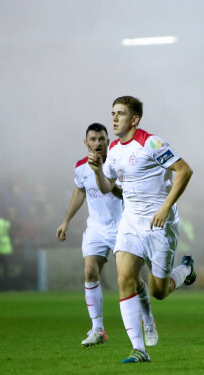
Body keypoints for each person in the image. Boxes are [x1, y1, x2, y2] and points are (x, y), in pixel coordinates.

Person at [88, 96, 195, 363]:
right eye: (112, 113)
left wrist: (165, 207)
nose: (113, 118)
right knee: (125, 279)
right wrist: (99, 171)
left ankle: (186, 270)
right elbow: (107, 188)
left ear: (134, 120)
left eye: (120, 114)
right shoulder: (113, 150)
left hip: (160, 224)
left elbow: (184, 171)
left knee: (158, 291)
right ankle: (139, 349)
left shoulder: (152, 143)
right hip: (131, 223)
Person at [56, 123, 158, 348]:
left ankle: (148, 320)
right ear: (86, 143)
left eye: (102, 139)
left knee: (133, 279)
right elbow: (80, 190)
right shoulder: (81, 167)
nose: (97, 143)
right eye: (93, 139)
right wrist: (66, 220)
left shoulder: (117, 162)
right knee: (89, 270)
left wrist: (101, 174)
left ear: (108, 141)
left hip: (124, 226)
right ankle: (98, 328)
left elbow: (124, 192)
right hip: (96, 229)